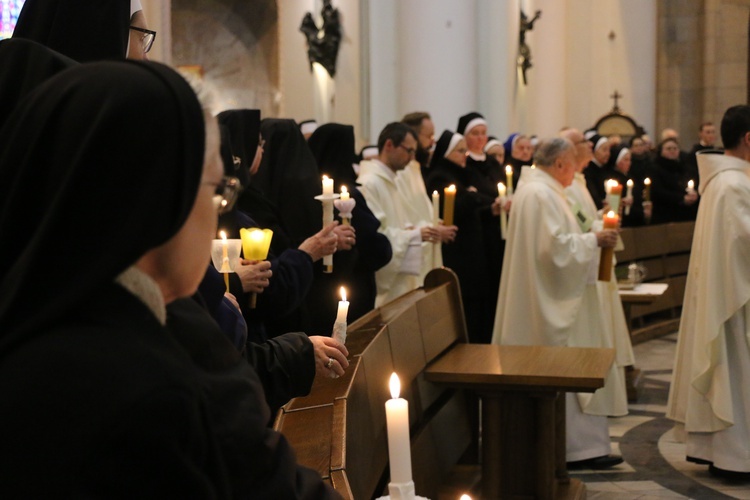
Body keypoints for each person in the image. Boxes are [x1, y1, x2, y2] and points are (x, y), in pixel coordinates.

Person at [0, 59, 336, 498]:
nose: (221, 210)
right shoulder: (150, 389)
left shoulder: (41, 322)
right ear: (162, 202)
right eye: (218, 190)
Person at [492, 138, 623, 468]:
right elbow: (552, 250)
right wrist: (593, 239)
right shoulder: (539, 194)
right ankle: (574, 449)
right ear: (561, 164)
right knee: (567, 362)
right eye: (573, 164)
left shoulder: (552, 191)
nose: (576, 170)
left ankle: (587, 447)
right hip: (550, 298)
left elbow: (574, 228)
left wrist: (597, 226)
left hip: (561, 294)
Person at [667, 105, 750, 479]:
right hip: (735, 304)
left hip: (728, 295)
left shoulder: (724, 182)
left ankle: (721, 451)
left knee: (726, 372)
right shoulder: (735, 185)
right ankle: (735, 454)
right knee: (732, 371)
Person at [307, 122, 392, 326]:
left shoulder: (306, 192)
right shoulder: (347, 194)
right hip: (350, 292)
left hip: (321, 295)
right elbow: (375, 246)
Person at [357, 122, 440, 306]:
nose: (411, 158)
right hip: (385, 288)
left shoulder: (390, 181)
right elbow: (375, 238)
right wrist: (415, 234)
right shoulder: (370, 183)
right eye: (408, 151)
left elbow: (395, 226)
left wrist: (412, 230)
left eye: (414, 152)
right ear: (388, 145)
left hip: (401, 278)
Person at [425, 130, 494, 343]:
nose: (465, 155)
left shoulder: (462, 174)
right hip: (457, 250)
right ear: (446, 153)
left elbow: (479, 199)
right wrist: (472, 196)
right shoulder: (440, 176)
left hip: (470, 250)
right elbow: (456, 206)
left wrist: (476, 197)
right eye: (460, 151)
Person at [650, 137, 699, 223]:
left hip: (685, 214)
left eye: (675, 148)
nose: (672, 151)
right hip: (664, 214)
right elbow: (658, 191)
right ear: (661, 151)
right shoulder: (655, 168)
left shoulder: (684, 167)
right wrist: (682, 198)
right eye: (668, 148)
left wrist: (693, 195)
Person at [583, 134, 612, 210]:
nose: (608, 154)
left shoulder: (604, 168)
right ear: (594, 150)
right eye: (604, 150)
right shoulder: (588, 170)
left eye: (609, 150)